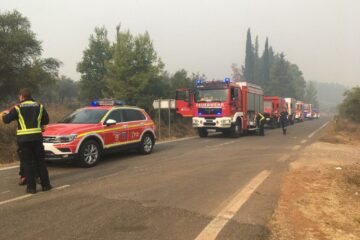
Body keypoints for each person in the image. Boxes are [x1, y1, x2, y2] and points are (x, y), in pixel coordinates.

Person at [1, 88, 51, 194]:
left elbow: (6, 120)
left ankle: (31, 188)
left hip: (24, 140)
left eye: (20, 96)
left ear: (22, 97)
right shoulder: (39, 106)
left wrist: (5, 114)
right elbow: (46, 120)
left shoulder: (18, 108)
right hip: (37, 138)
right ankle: (46, 185)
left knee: (28, 163)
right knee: (40, 161)